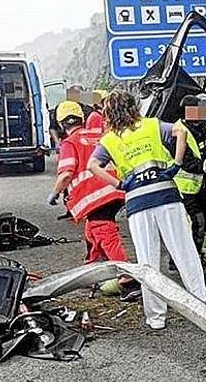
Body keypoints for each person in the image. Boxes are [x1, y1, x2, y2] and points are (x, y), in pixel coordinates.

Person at [87, 90, 206, 330]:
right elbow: (181, 131)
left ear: (109, 113)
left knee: (148, 261)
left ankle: (156, 318)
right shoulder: (152, 125)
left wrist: (118, 184)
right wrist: (176, 164)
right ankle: (204, 307)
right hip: (166, 195)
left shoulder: (110, 140)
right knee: (184, 252)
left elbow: (92, 165)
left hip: (137, 203)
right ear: (133, 106)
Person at [46, 101, 141, 302]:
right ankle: (92, 267)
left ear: (62, 124)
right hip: (114, 190)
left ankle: (128, 280)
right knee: (92, 229)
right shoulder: (97, 136)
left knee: (105, 233)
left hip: (94, 197)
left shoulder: (69, 143)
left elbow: (66, 174)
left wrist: (55, 194)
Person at [173, 94, 206, 257]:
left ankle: (203, 254)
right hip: (185, 188)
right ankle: (189, 259)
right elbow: (186, 162)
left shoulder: (205, 126)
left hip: (203, 184)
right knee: (197, 222)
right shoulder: (179, 131)